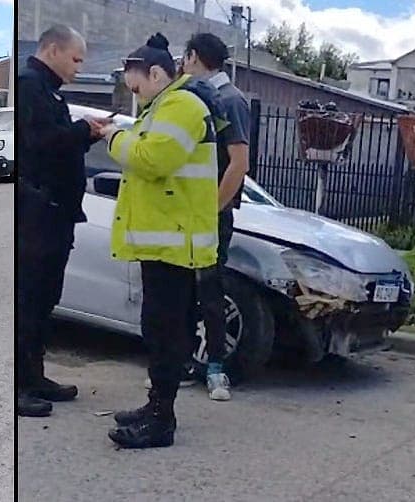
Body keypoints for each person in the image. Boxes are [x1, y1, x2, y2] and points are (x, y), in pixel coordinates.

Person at [97, 33, 221, 448]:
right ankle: (156, 406)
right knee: (158, 329)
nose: (133, 95)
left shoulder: (182, 105)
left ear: (155, 74)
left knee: (166, 332)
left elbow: (152, 161)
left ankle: (161, 420)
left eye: (134, 86)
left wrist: (112, 137)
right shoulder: (162, 107)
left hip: (176, 245)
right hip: (165, 243)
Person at [16, 25, 108, 417]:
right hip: (37, 213)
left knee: (44, 301)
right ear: (52, 50)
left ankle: (35, 376)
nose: (79, 67)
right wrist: (79, 130)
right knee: (28, 300)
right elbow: (36, 144)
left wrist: (87, 135)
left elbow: (57, 144)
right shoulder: (28, 86)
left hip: (56, 214)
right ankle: (20, 386)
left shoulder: (49, 90)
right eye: (76, 58)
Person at [181, 33, 251, 401]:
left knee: (210, 289)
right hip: (185, 212)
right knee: (184, 290)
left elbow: (238, 165)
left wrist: (211, 211)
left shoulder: (229, 100)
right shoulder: (192, 99)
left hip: (211, 215)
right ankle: (183, 363)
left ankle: (216, 369)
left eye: (184, 57)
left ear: (194, 57)